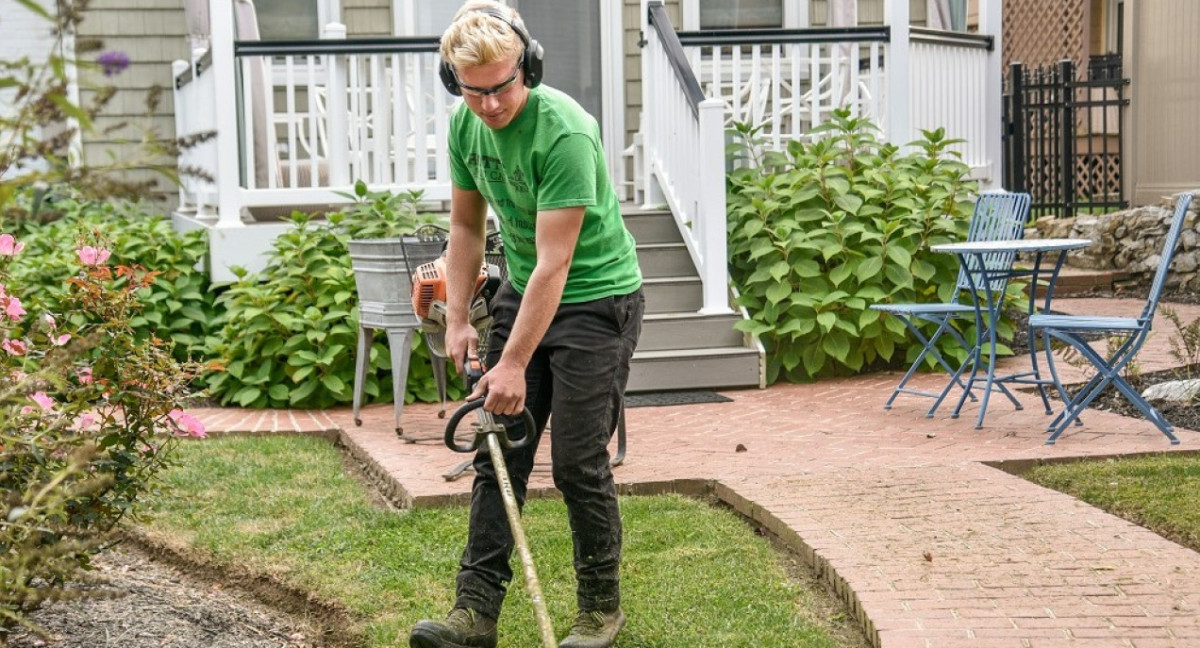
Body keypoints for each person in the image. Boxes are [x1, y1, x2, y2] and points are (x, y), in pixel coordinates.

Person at [408, 2, 644, 648]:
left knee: (574, 460)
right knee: (499, 448)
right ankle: (474, 613)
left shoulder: (563, 132)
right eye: (471, 90)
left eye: (502, 86)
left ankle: (600, 611)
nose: (487, 105)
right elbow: (464, 228)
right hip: (523, 286)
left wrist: (512, 362)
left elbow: (556, 262)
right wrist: (457, 317)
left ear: (529, 66)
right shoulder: (467, 127)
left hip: (596, 298)